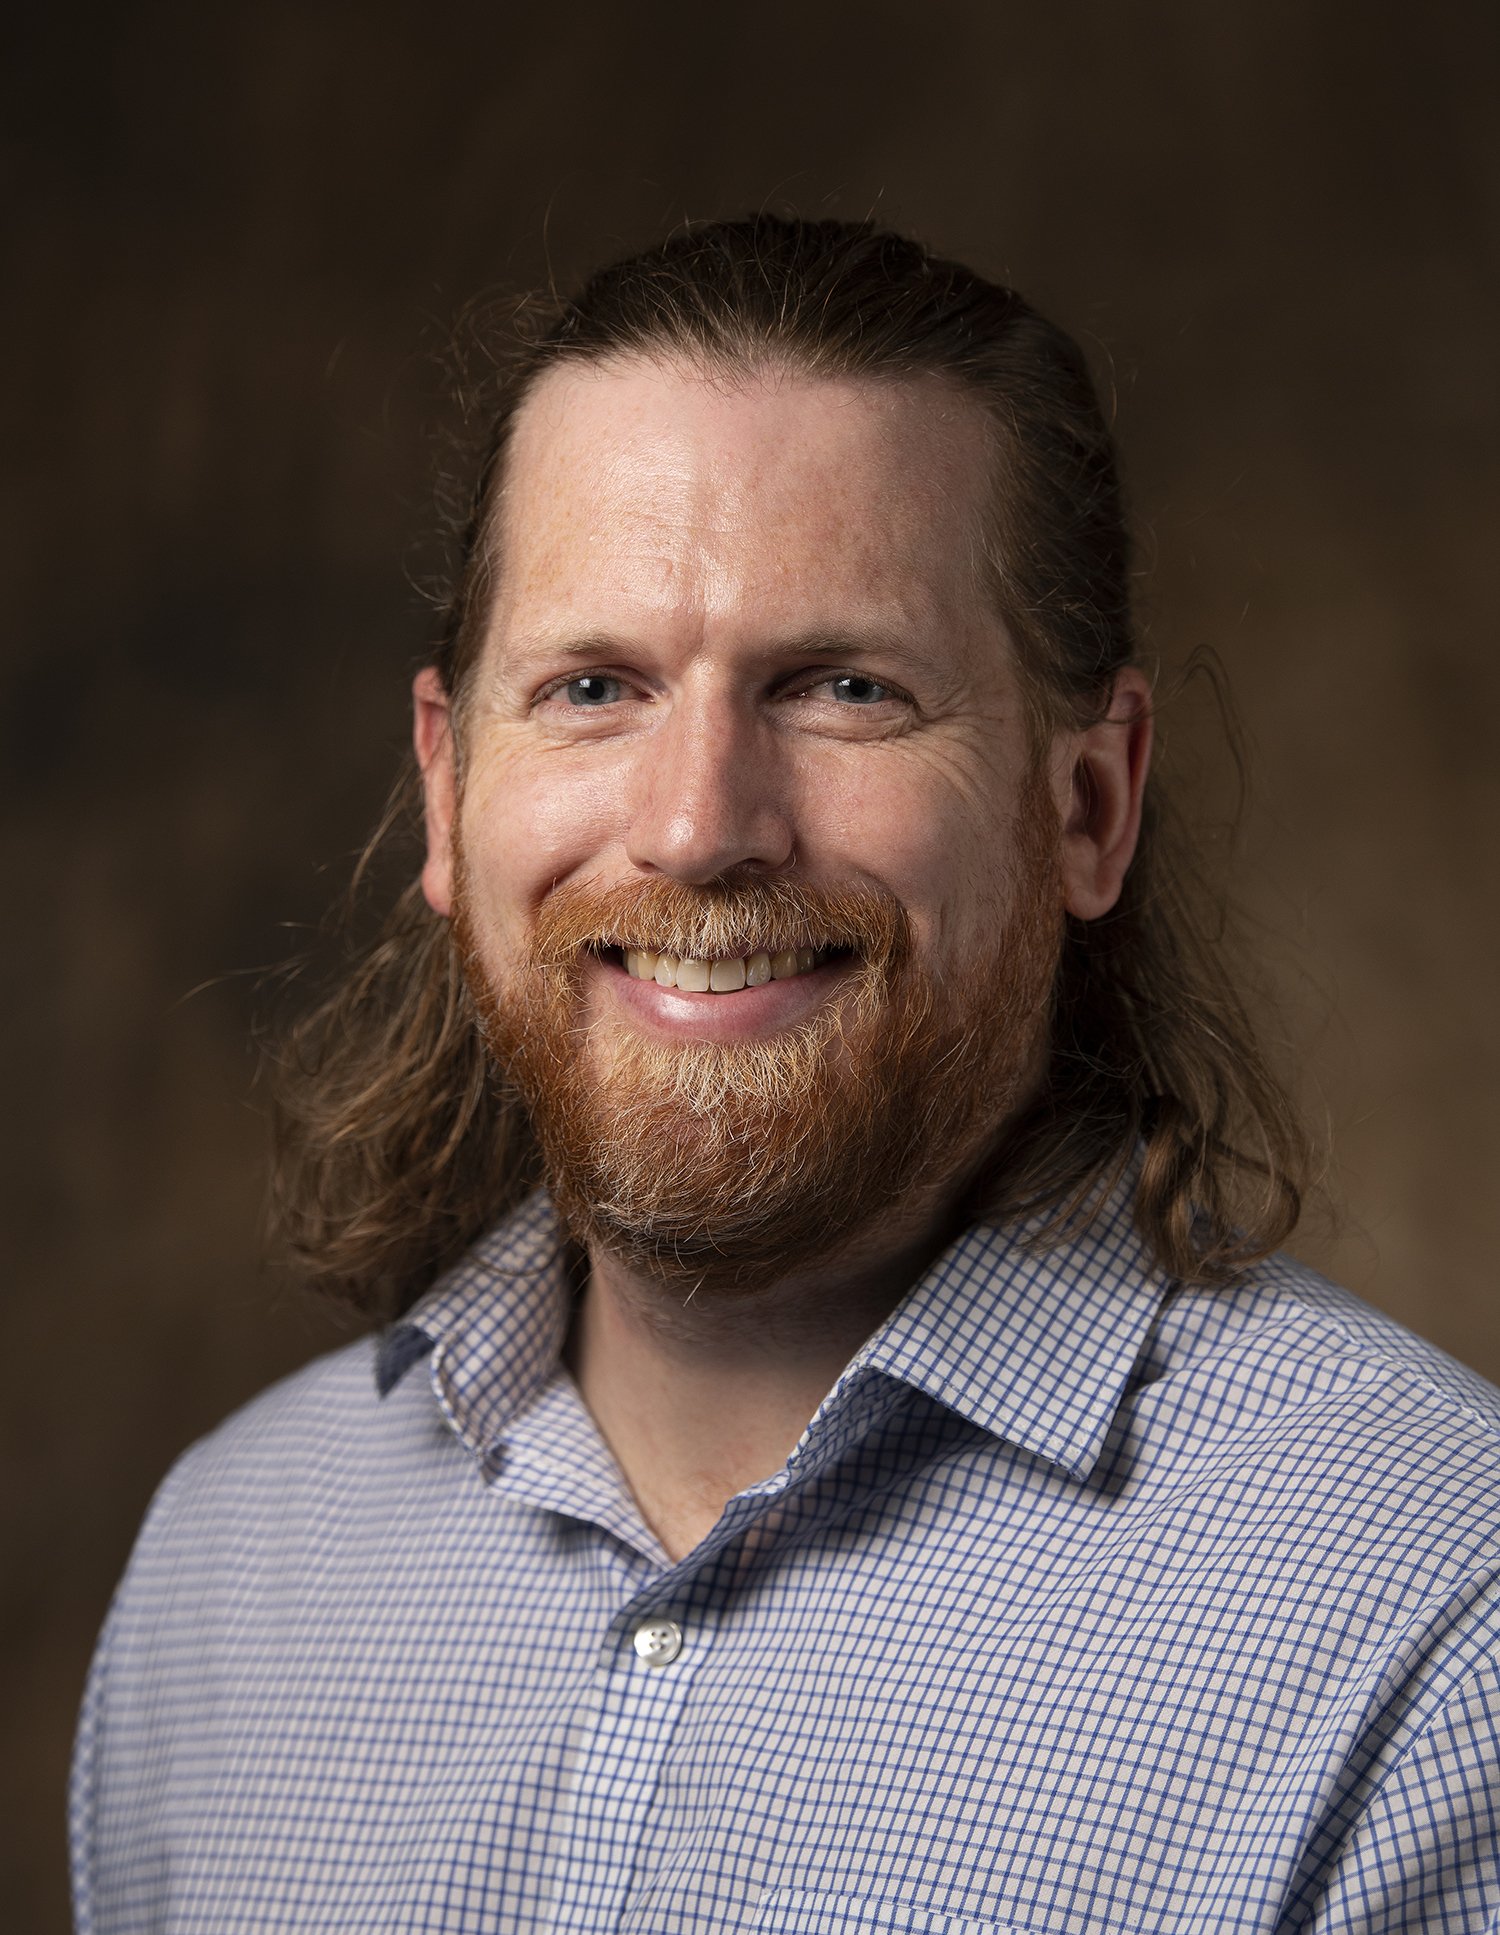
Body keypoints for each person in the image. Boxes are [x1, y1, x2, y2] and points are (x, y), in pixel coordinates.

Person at [71, 217, 1500, 1934]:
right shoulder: (226, 1572)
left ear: (1087, 805)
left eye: (844, 688)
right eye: (593, 686)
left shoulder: (1436, 1613)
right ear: (451, 793)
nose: (694, 826)